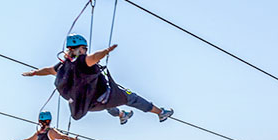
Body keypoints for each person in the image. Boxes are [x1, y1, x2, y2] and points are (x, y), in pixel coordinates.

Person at [21, 34, 173, 125]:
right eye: (84, 48)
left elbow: (48, 70)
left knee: (108, 103)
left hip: (89, 105)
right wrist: (106, 51)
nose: (85, 51)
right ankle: (160, 113)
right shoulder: (83, 61)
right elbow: (93, 57)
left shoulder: (62, 66)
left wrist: (34, 73)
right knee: (131, 97)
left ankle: (122, 116)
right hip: (104, 98)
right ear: (77, 49)